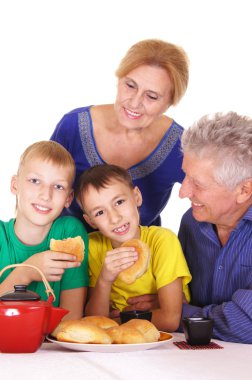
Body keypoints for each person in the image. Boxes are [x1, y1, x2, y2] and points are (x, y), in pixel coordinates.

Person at [50, 39, 189, 229]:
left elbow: (211, 198)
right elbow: (38, 191)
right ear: (119, 80)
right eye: (130, 85)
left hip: (140, 253)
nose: (134, 102)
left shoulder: (181, 145)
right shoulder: (73, 126)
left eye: (152, 96)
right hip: (71, 251)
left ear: (171, 102)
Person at [75, 163, 191, 332]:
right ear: (91, 221)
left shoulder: (162, 241)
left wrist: (116, 321)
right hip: (116, 341)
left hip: (160, 338)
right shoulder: (93, 246)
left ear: (136, 197)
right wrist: (105, 280)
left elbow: (170, 319)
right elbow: (95, 320)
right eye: (100, 212)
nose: (114, 218)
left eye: (119, 202)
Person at [178, 111, 252, 343]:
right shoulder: (192, 222)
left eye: (197, 184)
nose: (183, 192)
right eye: (185, 176)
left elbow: (245, 324)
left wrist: (175, 314)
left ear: (244, 191)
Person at [0, 141, 89, 319]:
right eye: (35, 181)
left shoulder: (69, 233)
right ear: (15, 184)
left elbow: (70, 320)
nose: (46, 195)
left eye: (58, 186)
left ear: (68, 198)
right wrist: (26, 272)